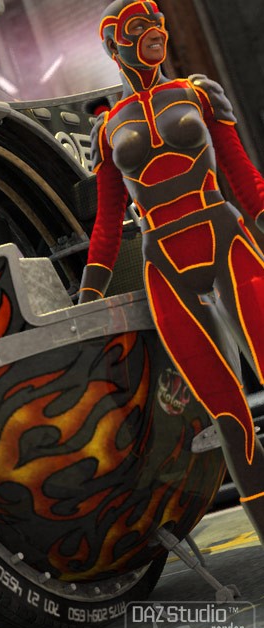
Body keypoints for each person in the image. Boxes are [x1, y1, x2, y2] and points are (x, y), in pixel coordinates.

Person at [79, 0, 264, 542]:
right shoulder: (107, 129)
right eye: (138, 26)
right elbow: (107, 225)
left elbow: (244, 177)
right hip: (164, 265)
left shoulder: (197, 94)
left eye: (156, 22)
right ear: (113, 45)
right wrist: (88, 298)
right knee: (228, 416)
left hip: (225, 239)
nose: (154, 31)